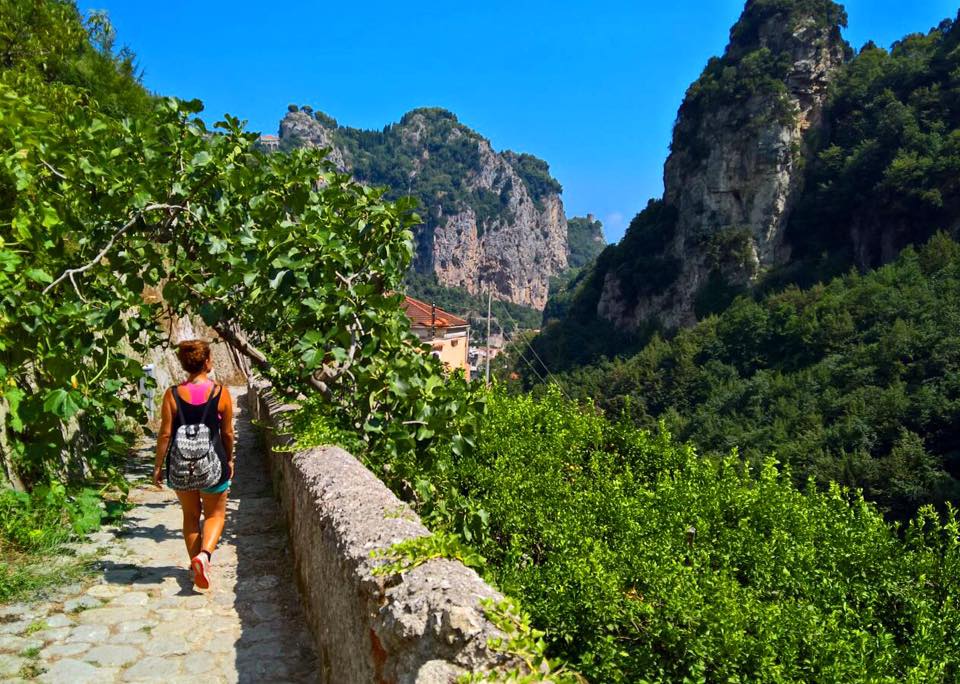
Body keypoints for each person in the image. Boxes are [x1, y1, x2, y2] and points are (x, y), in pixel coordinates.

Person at [153, 339, 234, 589]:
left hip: (180, 466)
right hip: (213, 466)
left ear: (184, 364)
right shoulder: (220, 393)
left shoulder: (172, 395)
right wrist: (229, 458)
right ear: (208, 362)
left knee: (190, 515)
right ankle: (205, 556)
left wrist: (157, 466)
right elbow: (228, 432)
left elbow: (165, 434)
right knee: (216, 514)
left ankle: (196, 564)